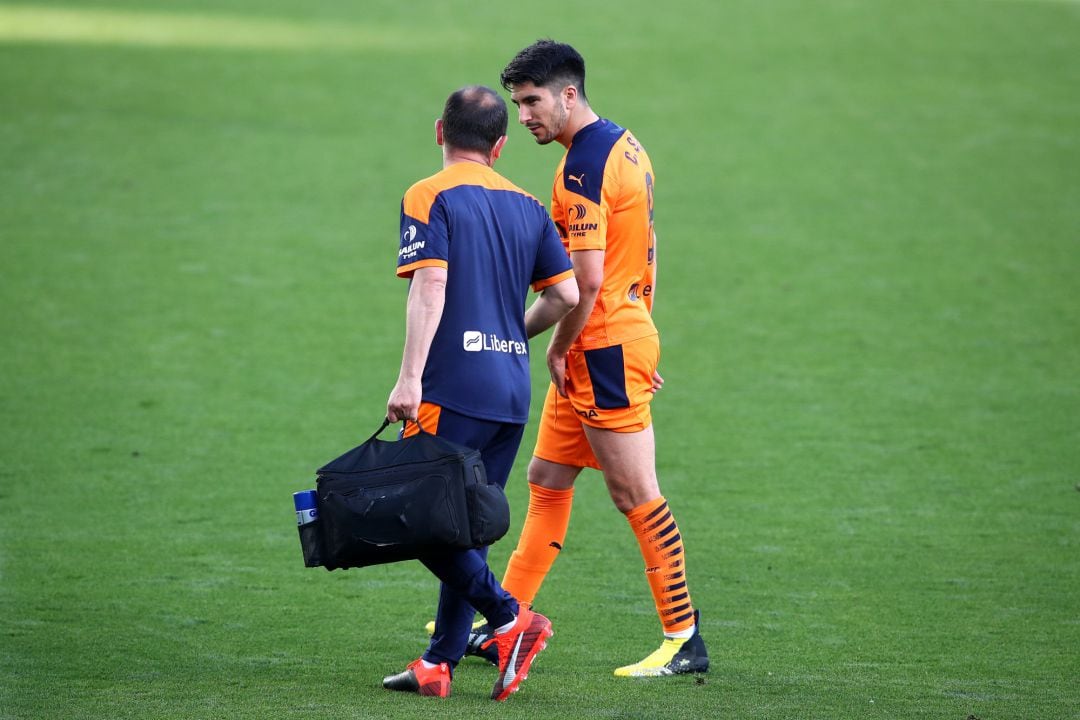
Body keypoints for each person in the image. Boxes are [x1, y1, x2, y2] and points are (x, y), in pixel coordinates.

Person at [487, 39, 710, 677]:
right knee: (547, 479)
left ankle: (683, 638)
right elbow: (648, 243)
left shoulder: (580, 172)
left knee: (635, 492)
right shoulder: (627, 144)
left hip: (600, 346)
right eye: (516, 104)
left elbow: (582, 285)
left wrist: (552, 342)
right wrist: (643, 321)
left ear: (568, 94)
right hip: (617, 335)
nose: (524, 115)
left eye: (532, 102)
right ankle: (506, 617)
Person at [381, 85, 579, 700]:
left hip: (452, 387)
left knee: (415, 517)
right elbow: (566, 295)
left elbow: (430, 286)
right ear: (499, 144)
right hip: (509, 391)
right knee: (464, 526)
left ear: (440, 130)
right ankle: (438, 662)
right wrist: (507, 336)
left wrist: (410, 376)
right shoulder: (525, 203)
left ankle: (509, 619)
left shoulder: (428, 193)